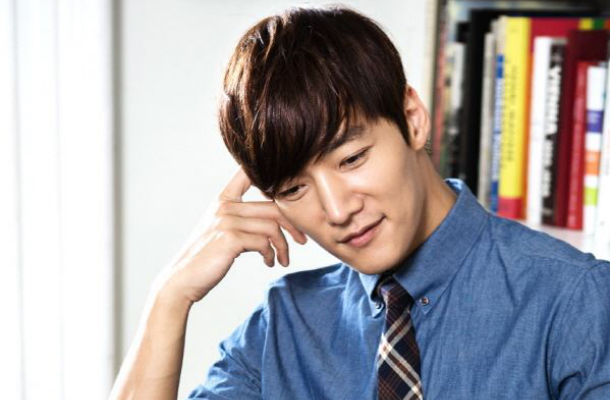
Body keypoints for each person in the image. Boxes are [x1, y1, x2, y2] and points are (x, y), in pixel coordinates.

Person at [109, 5, 610, 400]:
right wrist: (169, 297)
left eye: (351, 158)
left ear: (412, 119)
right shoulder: (283, 325)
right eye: (294, 189)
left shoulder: (575, 300)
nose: (337, 210)